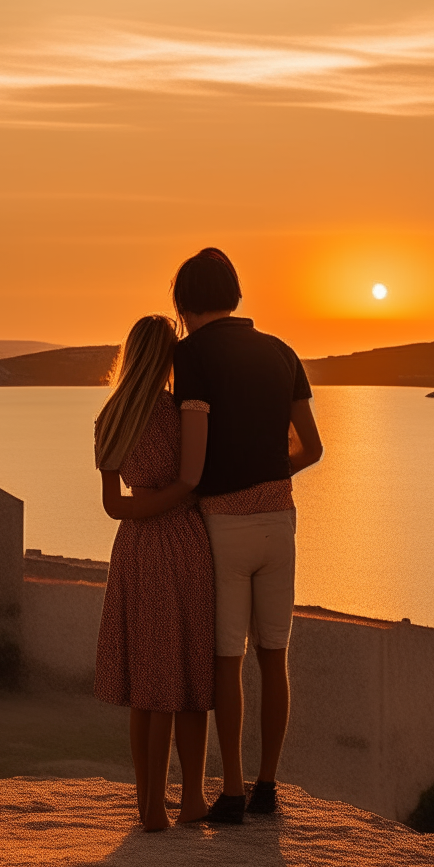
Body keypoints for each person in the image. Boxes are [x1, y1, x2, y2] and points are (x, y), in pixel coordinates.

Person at [171, 248, 323, 824]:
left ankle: (231, 792)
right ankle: (267, 787)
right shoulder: (282, 352)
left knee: (225, 661)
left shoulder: (189, 355)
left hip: (223, 527)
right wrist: (266, 473)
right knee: (274, 656)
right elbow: (311, 447)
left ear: (183, 303)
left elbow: (193, 453)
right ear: (234, 294)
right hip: (279, 523)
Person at [93, 314, 215, 831]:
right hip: (184, 542)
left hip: (135, 549)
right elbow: (193, 483)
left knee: (148, 680)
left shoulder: (110, 417)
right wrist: (173, 500)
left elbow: (113, 507)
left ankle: (148, 804)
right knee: (187, 677)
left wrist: (145, 506)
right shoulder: (177, 413)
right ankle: (189, 800)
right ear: (168, 358)